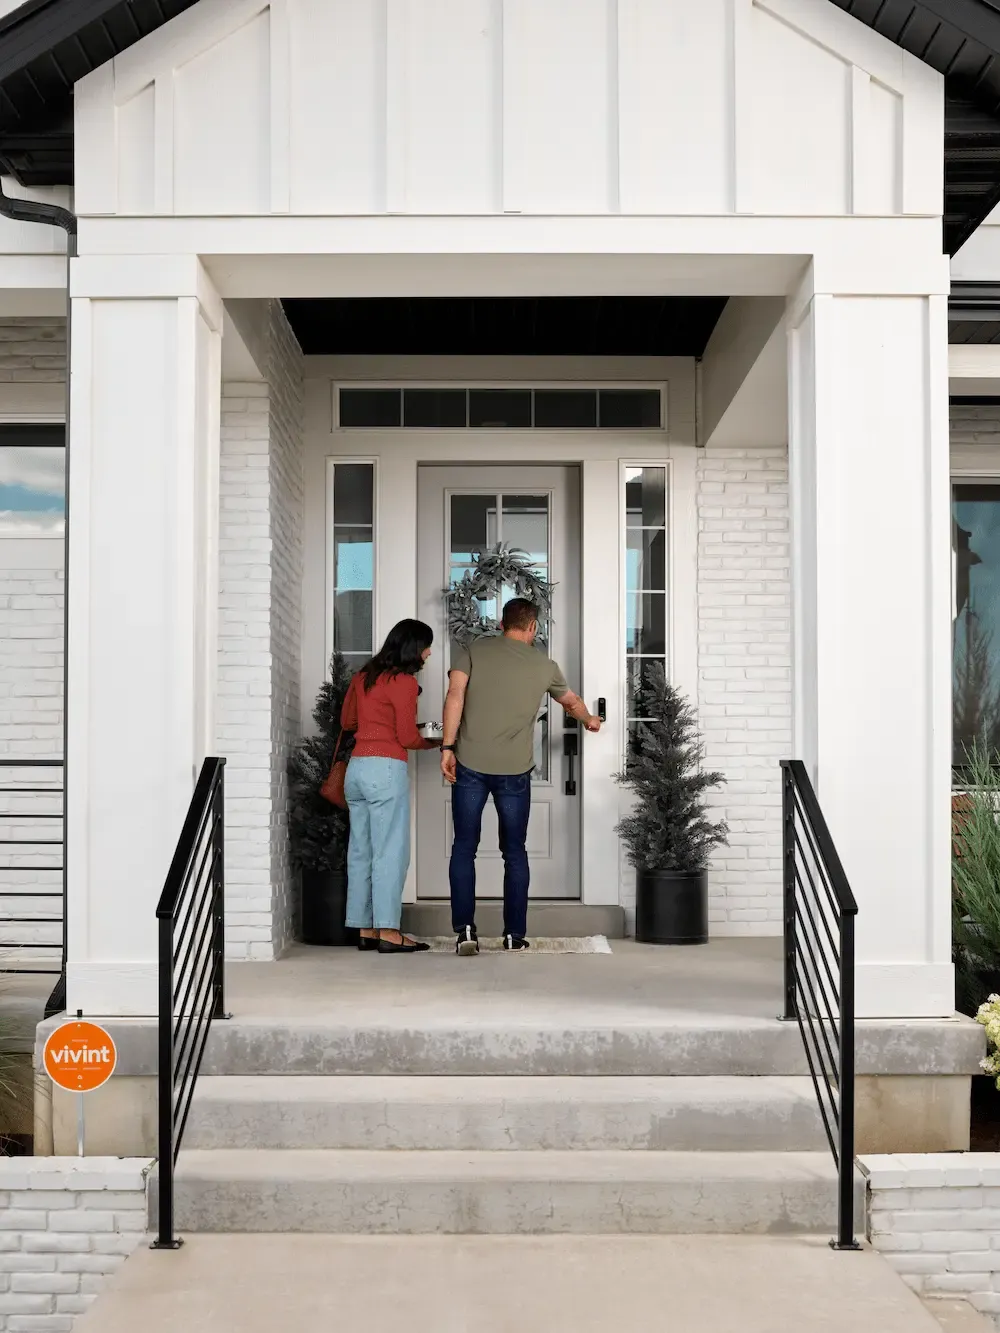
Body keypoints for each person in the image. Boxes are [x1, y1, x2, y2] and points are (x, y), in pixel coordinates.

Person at [440, 597, 602, 955]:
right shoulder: (545, 665)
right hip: (514, 773)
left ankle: (465, 931)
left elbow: (455, 695)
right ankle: (514, 935)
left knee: (464, 848)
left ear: (502, 624)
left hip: (469, 767)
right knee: (514, 852)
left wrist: (447, 748)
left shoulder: (472, 651)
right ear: (532, 627)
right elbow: (571, 702)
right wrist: (590, 719)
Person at [342, 619, 440, 954]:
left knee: (361, 851)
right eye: (427, 645)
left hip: (356, 770)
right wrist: (436, 742)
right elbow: (407, 737)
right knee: (389, 851)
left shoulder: (362, 676)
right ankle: (389, 931)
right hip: (385, 769)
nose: (429, 652)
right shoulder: (404, 682)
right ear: (414, 648)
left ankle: (366, 928)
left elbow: (347, 723)